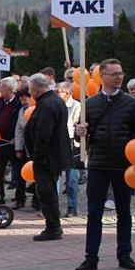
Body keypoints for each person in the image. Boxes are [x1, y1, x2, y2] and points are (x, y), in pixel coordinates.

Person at [74, 58, 135, 270]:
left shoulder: (131, 104)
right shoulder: (89, 104)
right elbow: (80, 136)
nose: (119, 77)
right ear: (102, 76)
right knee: (94, 213)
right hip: (98, 164)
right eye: (114, 74)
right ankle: (91, 257)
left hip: (123, 166)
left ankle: (124, 254)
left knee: (124, 213)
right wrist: (79, 132)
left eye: (121, 73)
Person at [25, 73, 70, 241]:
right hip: (51, 156)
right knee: (48, 191)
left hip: (47, 158)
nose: (30, 93)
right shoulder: (54, 101)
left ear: (36, 89)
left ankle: (53, 227)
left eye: (30, 90)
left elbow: (43, 134)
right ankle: (53, 225)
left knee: (47, 192)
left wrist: (37, 157)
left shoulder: (47, 105)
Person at [0, 77, 22, 205]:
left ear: (10, 90)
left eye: (2, 87)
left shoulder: (18, 104)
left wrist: (17, 138)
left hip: (13, 142)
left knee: (18, 171)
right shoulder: (0, 103)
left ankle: (20, 198)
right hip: (0, 142)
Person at [56, 81, 82, 217]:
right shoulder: (54, 104)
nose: (56, 94)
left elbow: (75, 124)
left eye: (58, 92)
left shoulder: (76, 105)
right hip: (56, 143)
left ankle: (72, 206)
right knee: (55, 177)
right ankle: (53, 206)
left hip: (71, 143)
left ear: (66, 93)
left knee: (72, 178)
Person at [13, 86, 33, 210]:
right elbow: (18, 130)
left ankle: (37, 201)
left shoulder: (36, 109)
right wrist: (18, 148)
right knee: (21, 173)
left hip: (35, 147)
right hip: (24, 147)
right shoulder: (21, 111)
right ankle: (20, 199)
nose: (23, 102)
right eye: (21, 100)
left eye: (25, 99)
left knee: (36, 174)